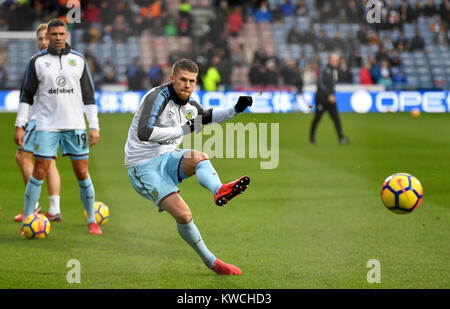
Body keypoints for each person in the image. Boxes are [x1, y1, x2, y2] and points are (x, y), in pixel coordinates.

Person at [124, 58, 253, 275]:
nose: (187, 85)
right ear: (172, 79)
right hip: (142, 166)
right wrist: (182, 130)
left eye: (192, 81)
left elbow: (205, 118)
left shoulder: (190, 105)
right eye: (183, 80)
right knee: (184, 216)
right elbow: (144, 133)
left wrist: (235, 109)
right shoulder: (157, 97)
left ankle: (219, 190)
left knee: (199, 157)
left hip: (167, 158)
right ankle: (212, 262)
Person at [14, 19, 102, 235]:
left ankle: (91, 220)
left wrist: (94, 126)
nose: (57, 38)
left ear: (66, 35)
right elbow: (26, 96)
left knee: (82, 172)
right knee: (39, 170)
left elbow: (89, 97)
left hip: (75, 126)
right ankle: (28, 219)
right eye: (53, 34)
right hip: (47, 126)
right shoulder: (37, 62)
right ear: (49, 36)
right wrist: (20, 125)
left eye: (61, 34)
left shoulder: (78, 60)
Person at [13, 23, 62, 223]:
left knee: (22, 156)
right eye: (40, 39)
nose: (43, 42)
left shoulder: (41, 62)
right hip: (51, 118)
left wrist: (22, 122)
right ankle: (55, 209)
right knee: (48, 161)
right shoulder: (56, 61)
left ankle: (32, 207)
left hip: (40, 118)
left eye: (45, 38)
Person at [309, 53, 349, 145]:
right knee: (317, 118)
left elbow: (333, 84)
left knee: (336, 118)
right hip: (321, 99)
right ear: (330, 60)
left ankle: (341, 138)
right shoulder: (323, 69)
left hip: (331, 99)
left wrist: (332, 95)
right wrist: (329, 95)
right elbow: (321, 84)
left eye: (337, 60)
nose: (336, 62)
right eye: (335, 60)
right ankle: (311, 138)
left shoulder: (336, 70)